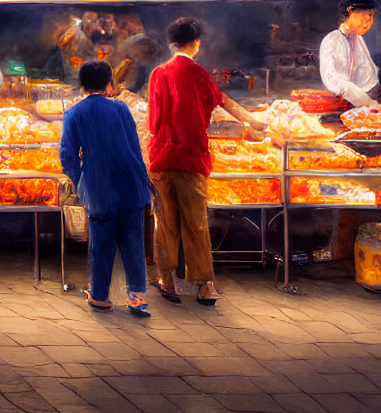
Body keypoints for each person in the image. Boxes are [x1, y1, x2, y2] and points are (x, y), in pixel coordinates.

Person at [147, 17, 270, 305]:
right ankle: (204, 285)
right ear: (197, 43)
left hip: (162, 159)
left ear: (172, 43)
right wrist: (255, 122)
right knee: (196, 224)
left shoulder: (158, 74)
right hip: (192, 158)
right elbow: (224, 102)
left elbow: (153, 123)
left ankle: (167, 282)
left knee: (164, 223)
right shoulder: (199, 74)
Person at [60, 61, 152, 317]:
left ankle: (100, 296)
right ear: (108, 84)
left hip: (99, 187)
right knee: (133, 241)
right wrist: (142, 180)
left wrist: (82, 181)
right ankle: (137, 297)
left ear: (81, 85)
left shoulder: (74, 113)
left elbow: (67, 156)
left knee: (101, 242)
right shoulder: (121, 108)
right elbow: (135, 148)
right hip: (130, 184)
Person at [319, 0, 381, 108]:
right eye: (367, 16)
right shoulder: (332, 40)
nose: (370, 22)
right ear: (351, 13)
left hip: (358, 106)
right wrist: (367, 102)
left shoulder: (357, 39)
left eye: (372, 17)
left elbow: (367, 73)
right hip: (335, 108)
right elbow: (334, 81)